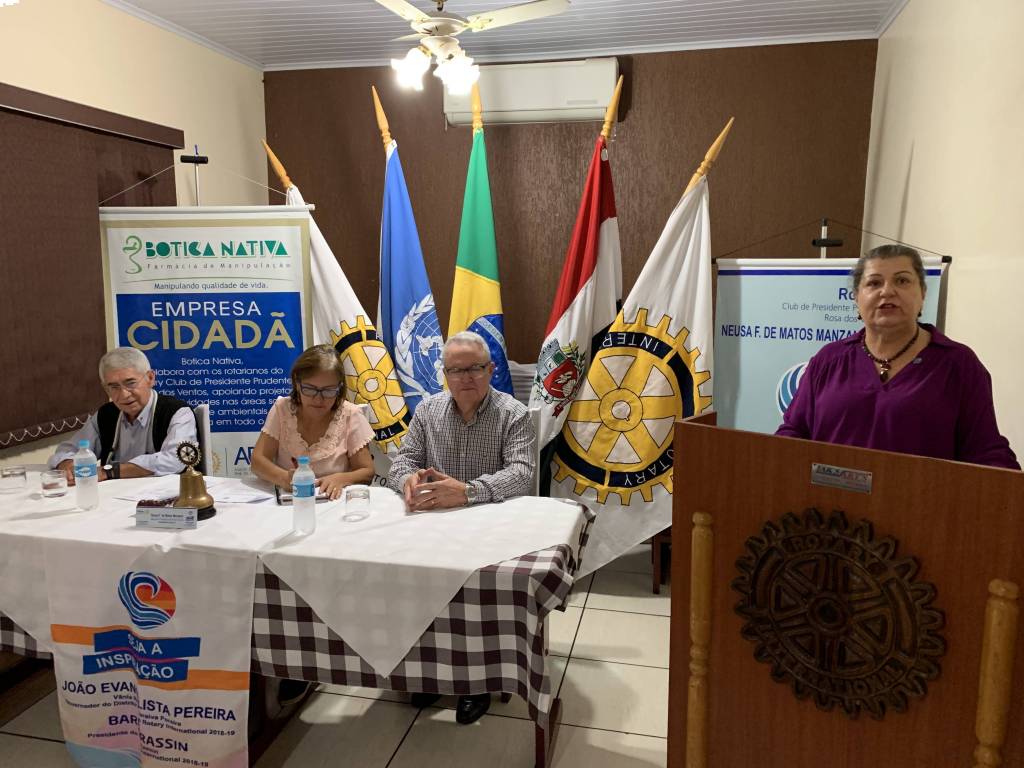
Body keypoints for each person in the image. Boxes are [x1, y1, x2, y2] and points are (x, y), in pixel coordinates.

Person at [387, 330, 536, 725]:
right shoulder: (427, 410)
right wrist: (407, 481)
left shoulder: (513, 413)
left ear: (490, 369)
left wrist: (467, 492)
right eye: (456, 370)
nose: (466, 377)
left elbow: (522, 474)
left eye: (475, 368)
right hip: (432, 525)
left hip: (490, 528)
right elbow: (403, 461)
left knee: (476, 599)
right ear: (445, 375)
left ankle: (477, 682)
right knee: (419, 589)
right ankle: (431, 672)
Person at [777, 244, 1019, 469]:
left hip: (920, 500)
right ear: (857, 297)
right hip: (830, 500)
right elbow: (793, 434)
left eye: (902, 281)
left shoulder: (959, 364)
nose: (887, 291)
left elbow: (985, 451)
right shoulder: (829, 359)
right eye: (874, 283)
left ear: (923, 293)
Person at [49, 347, 198, 482]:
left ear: (150, 378)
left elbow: (175, 459)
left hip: (163, 494)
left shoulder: (177, 412)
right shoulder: (106, 414)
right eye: (114, 387)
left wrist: (109, 472)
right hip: (114, 495)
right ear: (105, 389)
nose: (124, 395)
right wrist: (68, 464)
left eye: (131, 383)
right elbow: (69, 449)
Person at [252, 344, 375, 500]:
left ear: (339, 388)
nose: (318, 399)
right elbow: (257, 461)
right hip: (289, 503)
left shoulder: (351, 415)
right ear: (297, 383)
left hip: (333, 503)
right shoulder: (282, 409)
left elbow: (367, 471)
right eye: (310, 389)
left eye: (328, 391)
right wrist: (284, 478)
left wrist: (342, 478)